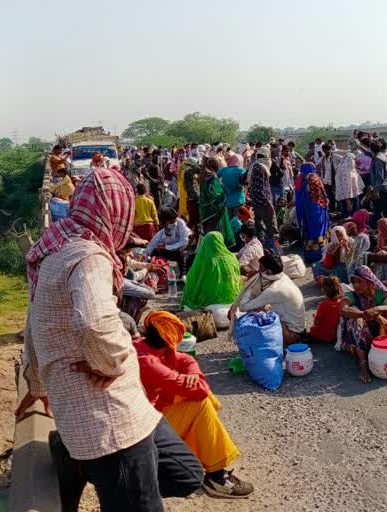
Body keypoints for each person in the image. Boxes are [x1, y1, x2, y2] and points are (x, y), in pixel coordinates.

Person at [19, 166, 203, 511]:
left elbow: (36, 321)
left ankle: (77, 460)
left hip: (124, 410)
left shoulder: (58, 249)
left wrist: (39, 383)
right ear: (116, 210)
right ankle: (89, 463)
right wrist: (114, 363)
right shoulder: (88, 256)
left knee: (186, 472)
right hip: (110, 426)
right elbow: (93, 324)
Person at [135, 312, 252, 499]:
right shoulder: (148, 362)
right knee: (202, 402)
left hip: (150, 414)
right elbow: (200, 390)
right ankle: (216, 477)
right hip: (145, 427)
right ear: (168, 342)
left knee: (202, 404)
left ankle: (205, 462)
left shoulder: (143, 344)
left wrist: (193, 374)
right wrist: (194, 379)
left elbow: (185, 359)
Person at [339, 266, 387, 384]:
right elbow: (343, 309)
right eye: (353, 282)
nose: (356, 285)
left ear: (369, 281)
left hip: (380, 332)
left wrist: (379, 309)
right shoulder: (352, 295)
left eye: (359, 281)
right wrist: (366, 314)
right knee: (355, 319)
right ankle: (363, 364)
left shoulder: (380, 293)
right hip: (362, 335)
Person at [235, 253, 306, 345]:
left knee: (253, 317)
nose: (258, 271)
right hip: (299, 329)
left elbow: (243, 307)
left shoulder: (274, 289)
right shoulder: (283, 277)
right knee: (260, 310)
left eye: (260, 268)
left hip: (291, 334)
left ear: (268, 272)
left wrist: (250, 289)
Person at [181, 231, 242, 310]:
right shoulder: (232, 257)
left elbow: (193, 279)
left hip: (209, 303)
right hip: (232, 299)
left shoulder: (205, 260)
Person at [295, 162, 330, 263]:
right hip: (317, 211)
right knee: (317, 232)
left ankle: (309, 254)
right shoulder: (314, 178)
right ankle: (318, 255)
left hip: (306, 211)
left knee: (309, 232)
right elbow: (321, 196)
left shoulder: (301, 179)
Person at [199, 157, 235, 247]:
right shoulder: (212, 178)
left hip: (206, 209)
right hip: (215, 210)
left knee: (209, 231)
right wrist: (224, 190)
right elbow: (215, 195)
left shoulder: (203, 176)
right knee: (217, 232)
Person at [144, 207, 192, 274]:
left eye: (175, 220)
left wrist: (166, 247)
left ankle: (183, 274)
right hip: (169, 252)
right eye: (171, 222)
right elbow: (148, 250)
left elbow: (184, 242)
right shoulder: (160, 235)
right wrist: (144, 264)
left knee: (182, 253)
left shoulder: (180, 223)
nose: (174, 223)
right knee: (155, 251)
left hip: (183, 249)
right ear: (164, 223)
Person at [247, 148, 279, 245]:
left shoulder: (254, 166)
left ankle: (262, 249)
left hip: (256, 202)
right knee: (270, 229)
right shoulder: (260, 168)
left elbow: (244, 180)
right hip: (264, 203)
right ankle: (271, 250)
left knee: (259, 228)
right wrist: (269, 204)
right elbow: (261, 189)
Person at [309, 276, 344, 343]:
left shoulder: (323, 305)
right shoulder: (342, 303)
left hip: (324, 335)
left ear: (324, 291)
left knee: (312, 329)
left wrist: (315, 317)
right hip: (336, 335)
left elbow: (317, 322)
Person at [369, 139, 387, 223]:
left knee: (378, 212)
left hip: (381, 189)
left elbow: (379, 177)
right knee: (386, 211)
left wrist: (376, 191)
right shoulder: (384, 156)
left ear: (371, 149)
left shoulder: (377, 159)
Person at [217, 153, 246, 218]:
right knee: (238, 220)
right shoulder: (241, 170)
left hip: (227, 200)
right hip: (239, 199)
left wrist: (221, 185)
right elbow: (246, 181)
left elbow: (215, 176)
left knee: (229, 220)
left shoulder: (223, 170)